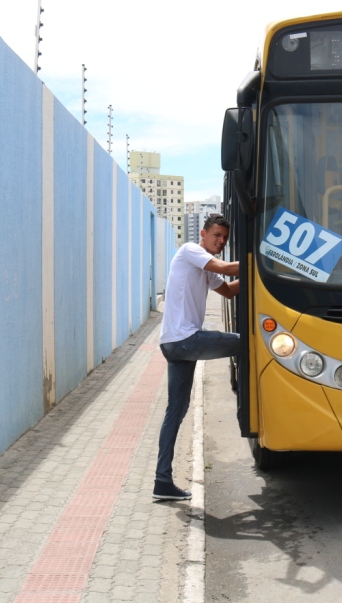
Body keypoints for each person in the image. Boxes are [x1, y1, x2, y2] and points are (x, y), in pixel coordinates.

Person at [153, 213, 240, 501]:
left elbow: (227, 290)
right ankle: (249, 403)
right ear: (203, 233)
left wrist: (262, 277)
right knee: (246, 343)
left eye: (224, 237)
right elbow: (228, 268)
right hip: (185, 340)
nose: (221, 240)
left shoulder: (205, 268)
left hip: (175, 345)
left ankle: (162, 481)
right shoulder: (190, 250)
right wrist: (265, 262)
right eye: (216, 235)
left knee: (175, 412)